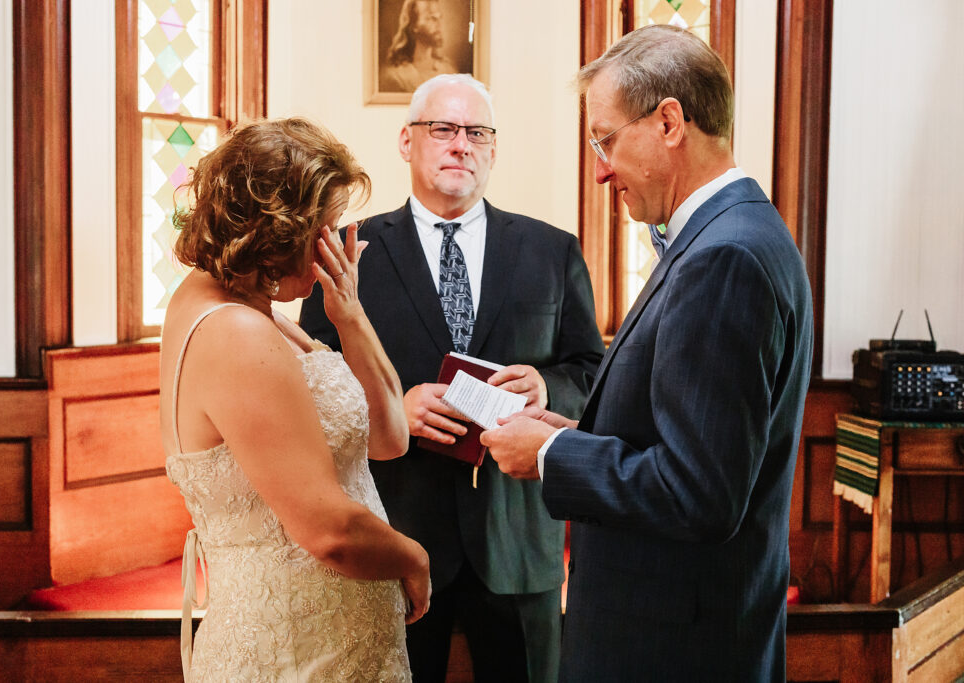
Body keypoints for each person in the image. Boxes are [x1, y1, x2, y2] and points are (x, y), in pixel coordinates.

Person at [480, 24, 814, 682]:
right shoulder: (730, 233)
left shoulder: (725, 257)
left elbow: (700, 493)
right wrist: (575, 431)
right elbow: (691, 445)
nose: (601, 169)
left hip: (673, 650)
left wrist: (550, 455)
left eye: (605, 140)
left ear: (668, 123)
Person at [300, 74, 604, 682]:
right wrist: (389, 412)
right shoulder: (348, 251)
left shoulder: (553, 251)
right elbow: (311, 382)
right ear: (407, 142)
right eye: (442, 129)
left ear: (493, 149)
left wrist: (547, 389)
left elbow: (591, 372)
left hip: (517, 542)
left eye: (476, 132)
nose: (459, 144)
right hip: (396, 536)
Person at [158, 117, 430, 682]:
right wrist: (414, 556)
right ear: (276, 229)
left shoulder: (253, 310)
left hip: (334, 640)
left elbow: (390, 438)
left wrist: (349, 315)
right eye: (324, 229)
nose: (334, 245)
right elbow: (328, 530)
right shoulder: (235, 331)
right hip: (294, 650)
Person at [381, 0, 457, 93]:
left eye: (439, 18)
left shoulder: (448, 70)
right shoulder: (396, 77)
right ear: (414, 26)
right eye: (432, 18)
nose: (439, 25)